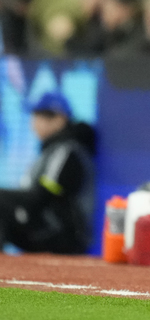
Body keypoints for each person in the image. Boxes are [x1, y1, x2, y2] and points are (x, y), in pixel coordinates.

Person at [0, 92, 95, 254]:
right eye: (34, 116)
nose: (34, 122)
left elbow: (43, 195)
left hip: (63, 233)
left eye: (40, 116)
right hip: (45, 226)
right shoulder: (49, 151)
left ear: (59, 120)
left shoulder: (66, 151)